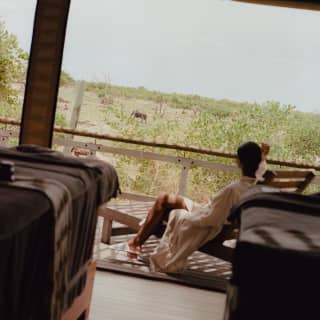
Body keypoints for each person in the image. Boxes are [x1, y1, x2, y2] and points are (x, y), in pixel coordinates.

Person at [128, 141, 270, 273]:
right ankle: (136, 242)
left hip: (210, 223)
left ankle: (136, 242)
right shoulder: (255, 184)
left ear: (239, 162)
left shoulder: (233, 190)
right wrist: (263, 155)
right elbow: (261, 168)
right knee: (164, 199)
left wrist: (189, 218)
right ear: (258, 162)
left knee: (165, 207)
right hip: (214, 214)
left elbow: (213, 219)